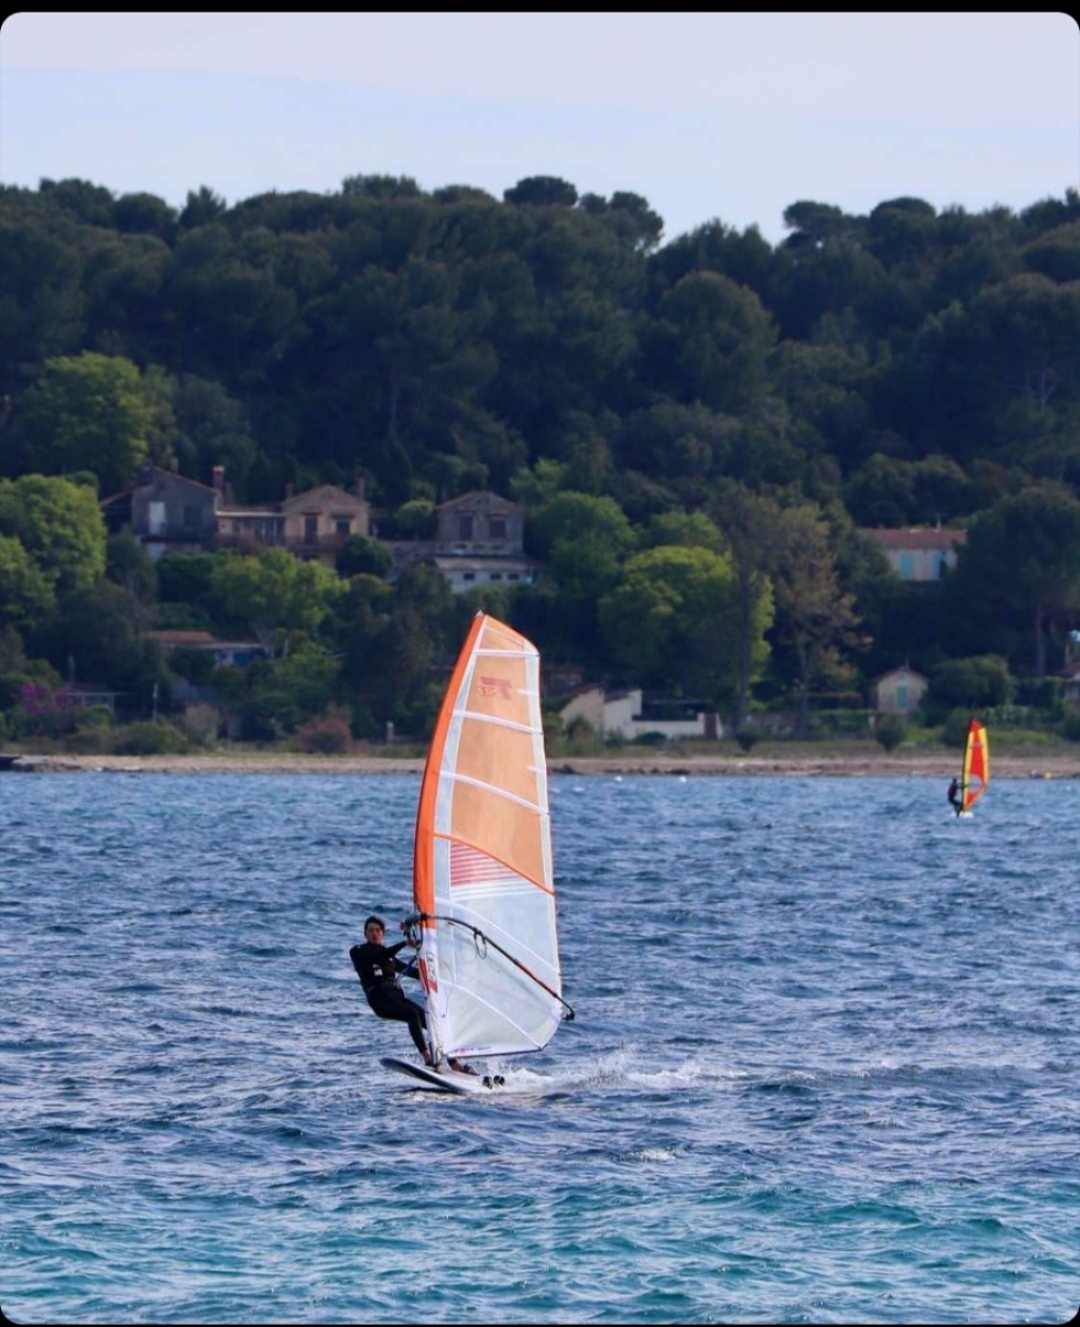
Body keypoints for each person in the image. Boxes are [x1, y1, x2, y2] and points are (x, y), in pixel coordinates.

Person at [349, 915, 432, 1064]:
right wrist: (405, 943)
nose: (374, 934)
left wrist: (432, 968)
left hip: (397, 998)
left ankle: (453, 1062)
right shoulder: (358, 952)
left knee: (429, 1020)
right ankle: (427, 1058)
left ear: (383, 934)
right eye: (370, 931)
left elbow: (413, 973)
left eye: (377, 930)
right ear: (365, 934)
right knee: (412, 1014)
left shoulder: (391, 958)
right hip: (380, 1000)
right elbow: (378, 957)